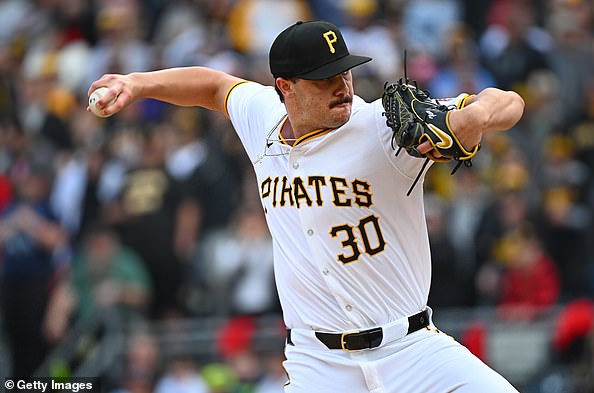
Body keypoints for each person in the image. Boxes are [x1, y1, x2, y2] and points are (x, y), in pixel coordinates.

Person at [88, 20, 525, 393]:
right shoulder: (261, 118)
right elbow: (214, 86)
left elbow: (511, 102)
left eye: (346, 72)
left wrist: (478, 115)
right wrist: (136, 83)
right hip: (319, 363)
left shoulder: (381, 127)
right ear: (286, 88)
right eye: (325, 78)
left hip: (413, 350)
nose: (342, 86)